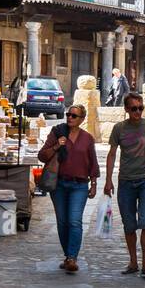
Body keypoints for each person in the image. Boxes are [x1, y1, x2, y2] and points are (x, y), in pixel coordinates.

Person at [104, 92, 145, 279]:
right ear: (127, 109)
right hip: (126, 180)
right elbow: (112, 154)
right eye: (134, 108)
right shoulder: (119, 128)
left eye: (140, 108)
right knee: (129, 224)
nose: (138, 111)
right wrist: (108, 179)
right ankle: (133, 261)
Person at [38, 104, 99, 274]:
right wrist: (57, 146)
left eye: (74, 116)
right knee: (62, 222)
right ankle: (68, 256)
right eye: (68, 114)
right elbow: (42, 156)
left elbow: (92, 162)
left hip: (79, 185)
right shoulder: (57, 132)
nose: (70, 118)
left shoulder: (87, 138)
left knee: (74, 221)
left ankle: (72, 257)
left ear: (81, 119)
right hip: (58, 184)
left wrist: (93, 184)